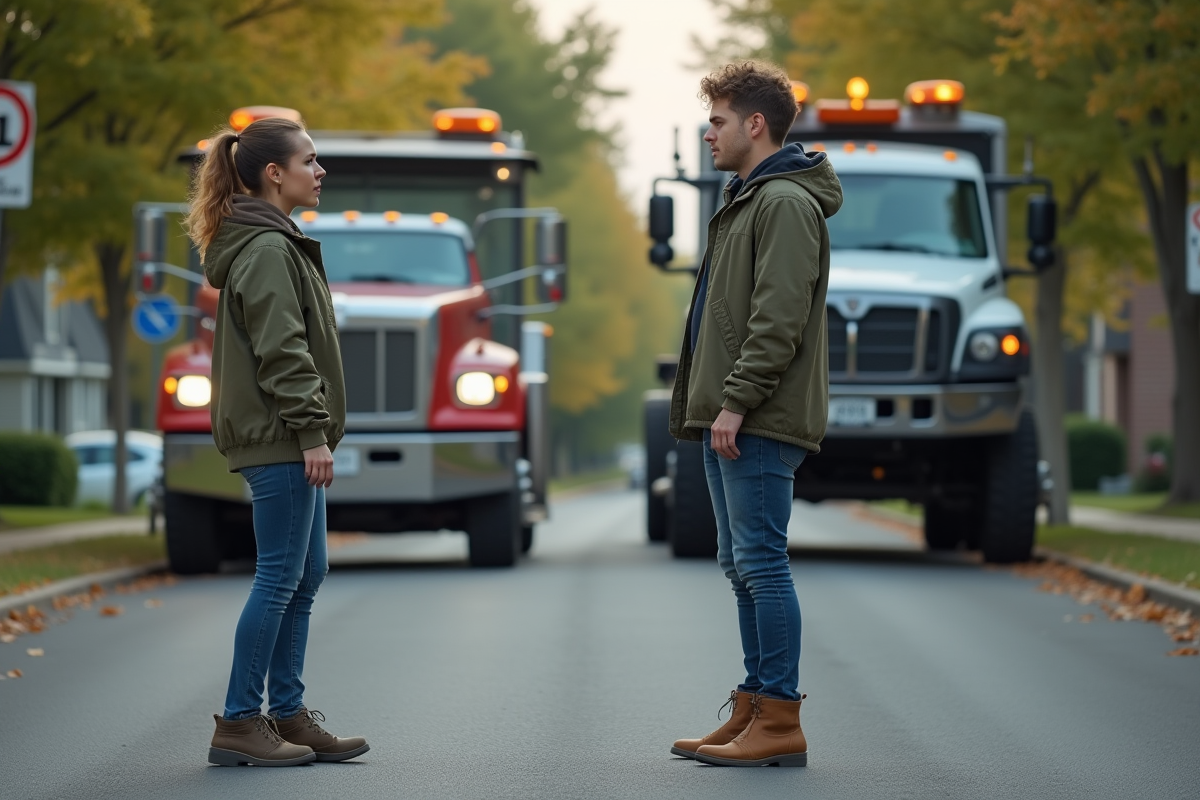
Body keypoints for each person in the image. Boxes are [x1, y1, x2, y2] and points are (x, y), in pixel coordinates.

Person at [668, 61, 842, 768]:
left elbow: (778, 321)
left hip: (759, 416)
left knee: (763, 564)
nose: (708, 134)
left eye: (716, 121)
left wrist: (736, 401)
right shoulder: (749, 197)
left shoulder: (785, 205)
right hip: (730, 413)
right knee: (741, 564)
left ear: (755, 123)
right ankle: (751, 708)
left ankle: (779, 718)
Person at [184, 116, 368, 766]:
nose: (320, 172)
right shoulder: (265, 250)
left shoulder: (278, 241)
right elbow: (282, 351)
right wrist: (312, 434)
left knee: (306, 572)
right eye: (310, 161)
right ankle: (239, 721)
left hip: (288, 436)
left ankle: (286, 713)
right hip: (281, 437)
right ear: (274, 173)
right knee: (278, 575)